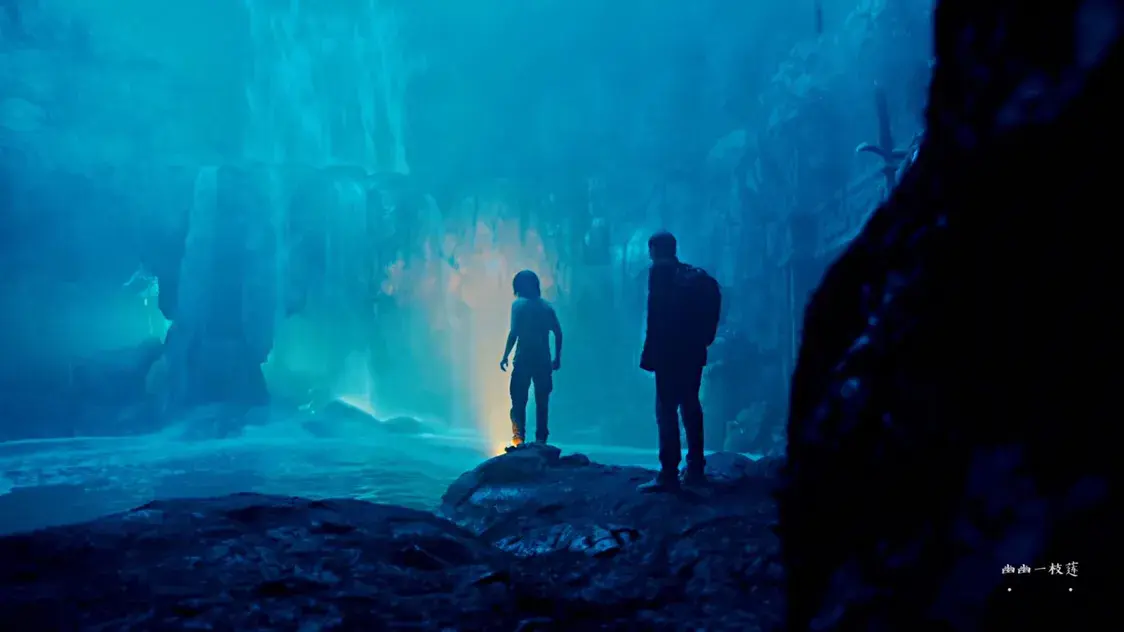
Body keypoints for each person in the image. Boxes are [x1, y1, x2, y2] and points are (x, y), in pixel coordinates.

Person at [638, 231, 722, 492]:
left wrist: (649, 355)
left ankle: (668, 473)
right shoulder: (695, 276)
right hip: (693, 352)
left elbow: (655, 317)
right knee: (691, 406)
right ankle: (696, 468)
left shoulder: (659, 273)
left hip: (668, 354)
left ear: (654, 249)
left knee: (666, 410)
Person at [500, 270, 562, 447]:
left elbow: (514, 333)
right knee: (542, 401)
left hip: (523, 359)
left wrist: (505, 355)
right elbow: (558, 332)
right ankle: (541, 439)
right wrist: (557, 358)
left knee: (518, 399)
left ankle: (518, 438)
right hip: (543, 360)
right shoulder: (546, 307)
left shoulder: (518, 305)